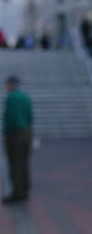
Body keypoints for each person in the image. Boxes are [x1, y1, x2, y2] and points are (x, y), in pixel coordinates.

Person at [2, 76, 33, 204]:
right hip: (27, 132)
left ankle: (17, 192)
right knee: (24, 163)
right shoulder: (26, 97)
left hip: (14, 133)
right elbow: (30, 116)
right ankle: (25, 190)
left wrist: (5, 133)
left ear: (10, 85)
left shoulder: (11, 98)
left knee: (15, 163)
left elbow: (9, 117)